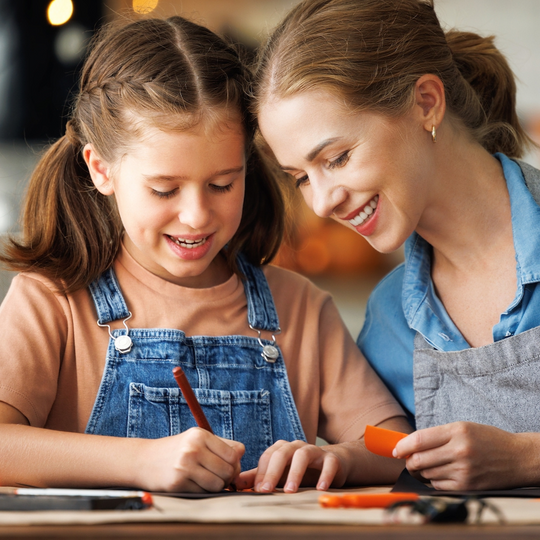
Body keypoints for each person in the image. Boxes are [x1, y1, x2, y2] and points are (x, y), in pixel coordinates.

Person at [0, 15, 410, 493]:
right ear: (101, 170)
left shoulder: (299, 309)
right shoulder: (55, 300)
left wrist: (334, 457)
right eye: (164, 189)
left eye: (222, 184)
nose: (196, 216)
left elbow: (391, 443)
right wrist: (140, 462)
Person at [254, 0, 540, 491]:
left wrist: (526, 458)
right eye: (301, 177)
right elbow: (391, 448)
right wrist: (338, 459)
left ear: (426, 102)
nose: (322, 203)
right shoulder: (390, 315)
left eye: (338, 158)